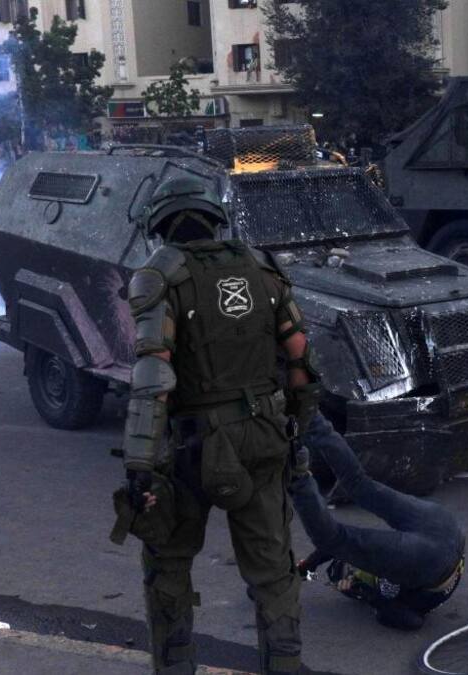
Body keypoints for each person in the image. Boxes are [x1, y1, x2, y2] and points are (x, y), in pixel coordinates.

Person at [110, 175, 321, 674]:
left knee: (168, 565)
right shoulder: (261, 267)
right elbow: (300, 361)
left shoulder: (159, 275)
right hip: (265, 438)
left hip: (194, 448)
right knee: (273, 574)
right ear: (214, 218)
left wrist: (139, 465)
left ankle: (177, 666)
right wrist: (297, 435)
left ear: (161, 226)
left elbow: (153, 375)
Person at [290, 412, 465, 631]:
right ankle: (307, 426)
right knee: (345, 513)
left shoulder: (373, 578)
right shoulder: (375, 572)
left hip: (447, 531)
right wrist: (370, 597)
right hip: (434, 556)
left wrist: (305, 572)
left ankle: (310, 420)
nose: (350, 571)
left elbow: (340, 551)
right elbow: (412, 621)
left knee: (358, 486)